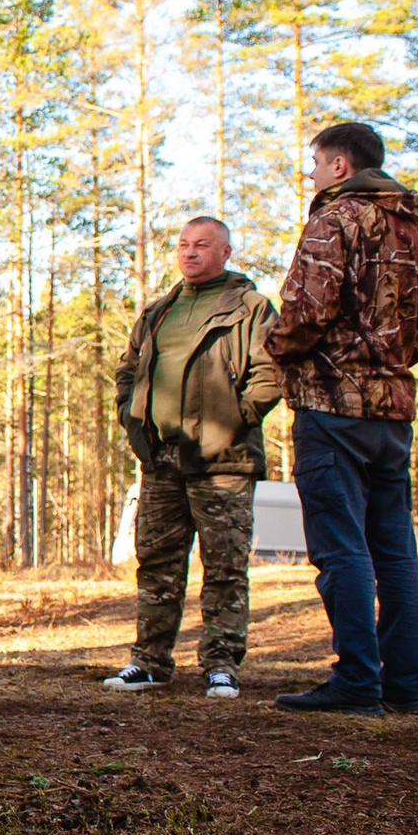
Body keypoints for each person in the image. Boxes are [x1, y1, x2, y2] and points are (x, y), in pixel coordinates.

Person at [266, 122, 418, 716]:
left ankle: (358, 683)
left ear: (340, 166)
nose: (311, 173)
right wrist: (386, 366)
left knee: (341, 549)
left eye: (315, 162)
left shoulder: (333, 220)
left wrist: (276, 348)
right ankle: (404, 686)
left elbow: (306, 312)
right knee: (394, 552)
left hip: (331, 407)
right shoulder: (415, 229)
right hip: (391, 413)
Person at [103, 217, 282, 700]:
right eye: (183, 245)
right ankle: (149, 661)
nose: (189, 253)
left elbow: (272, 371)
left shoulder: (249, 307)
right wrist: (131, 415)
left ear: (225, 251)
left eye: (202, 245)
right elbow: (127, 368)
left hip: (222, 462)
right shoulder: (160, 310)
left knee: (224, 567)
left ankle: (221, 664)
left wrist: (237, 416)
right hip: (161, 458)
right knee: (156, 564)